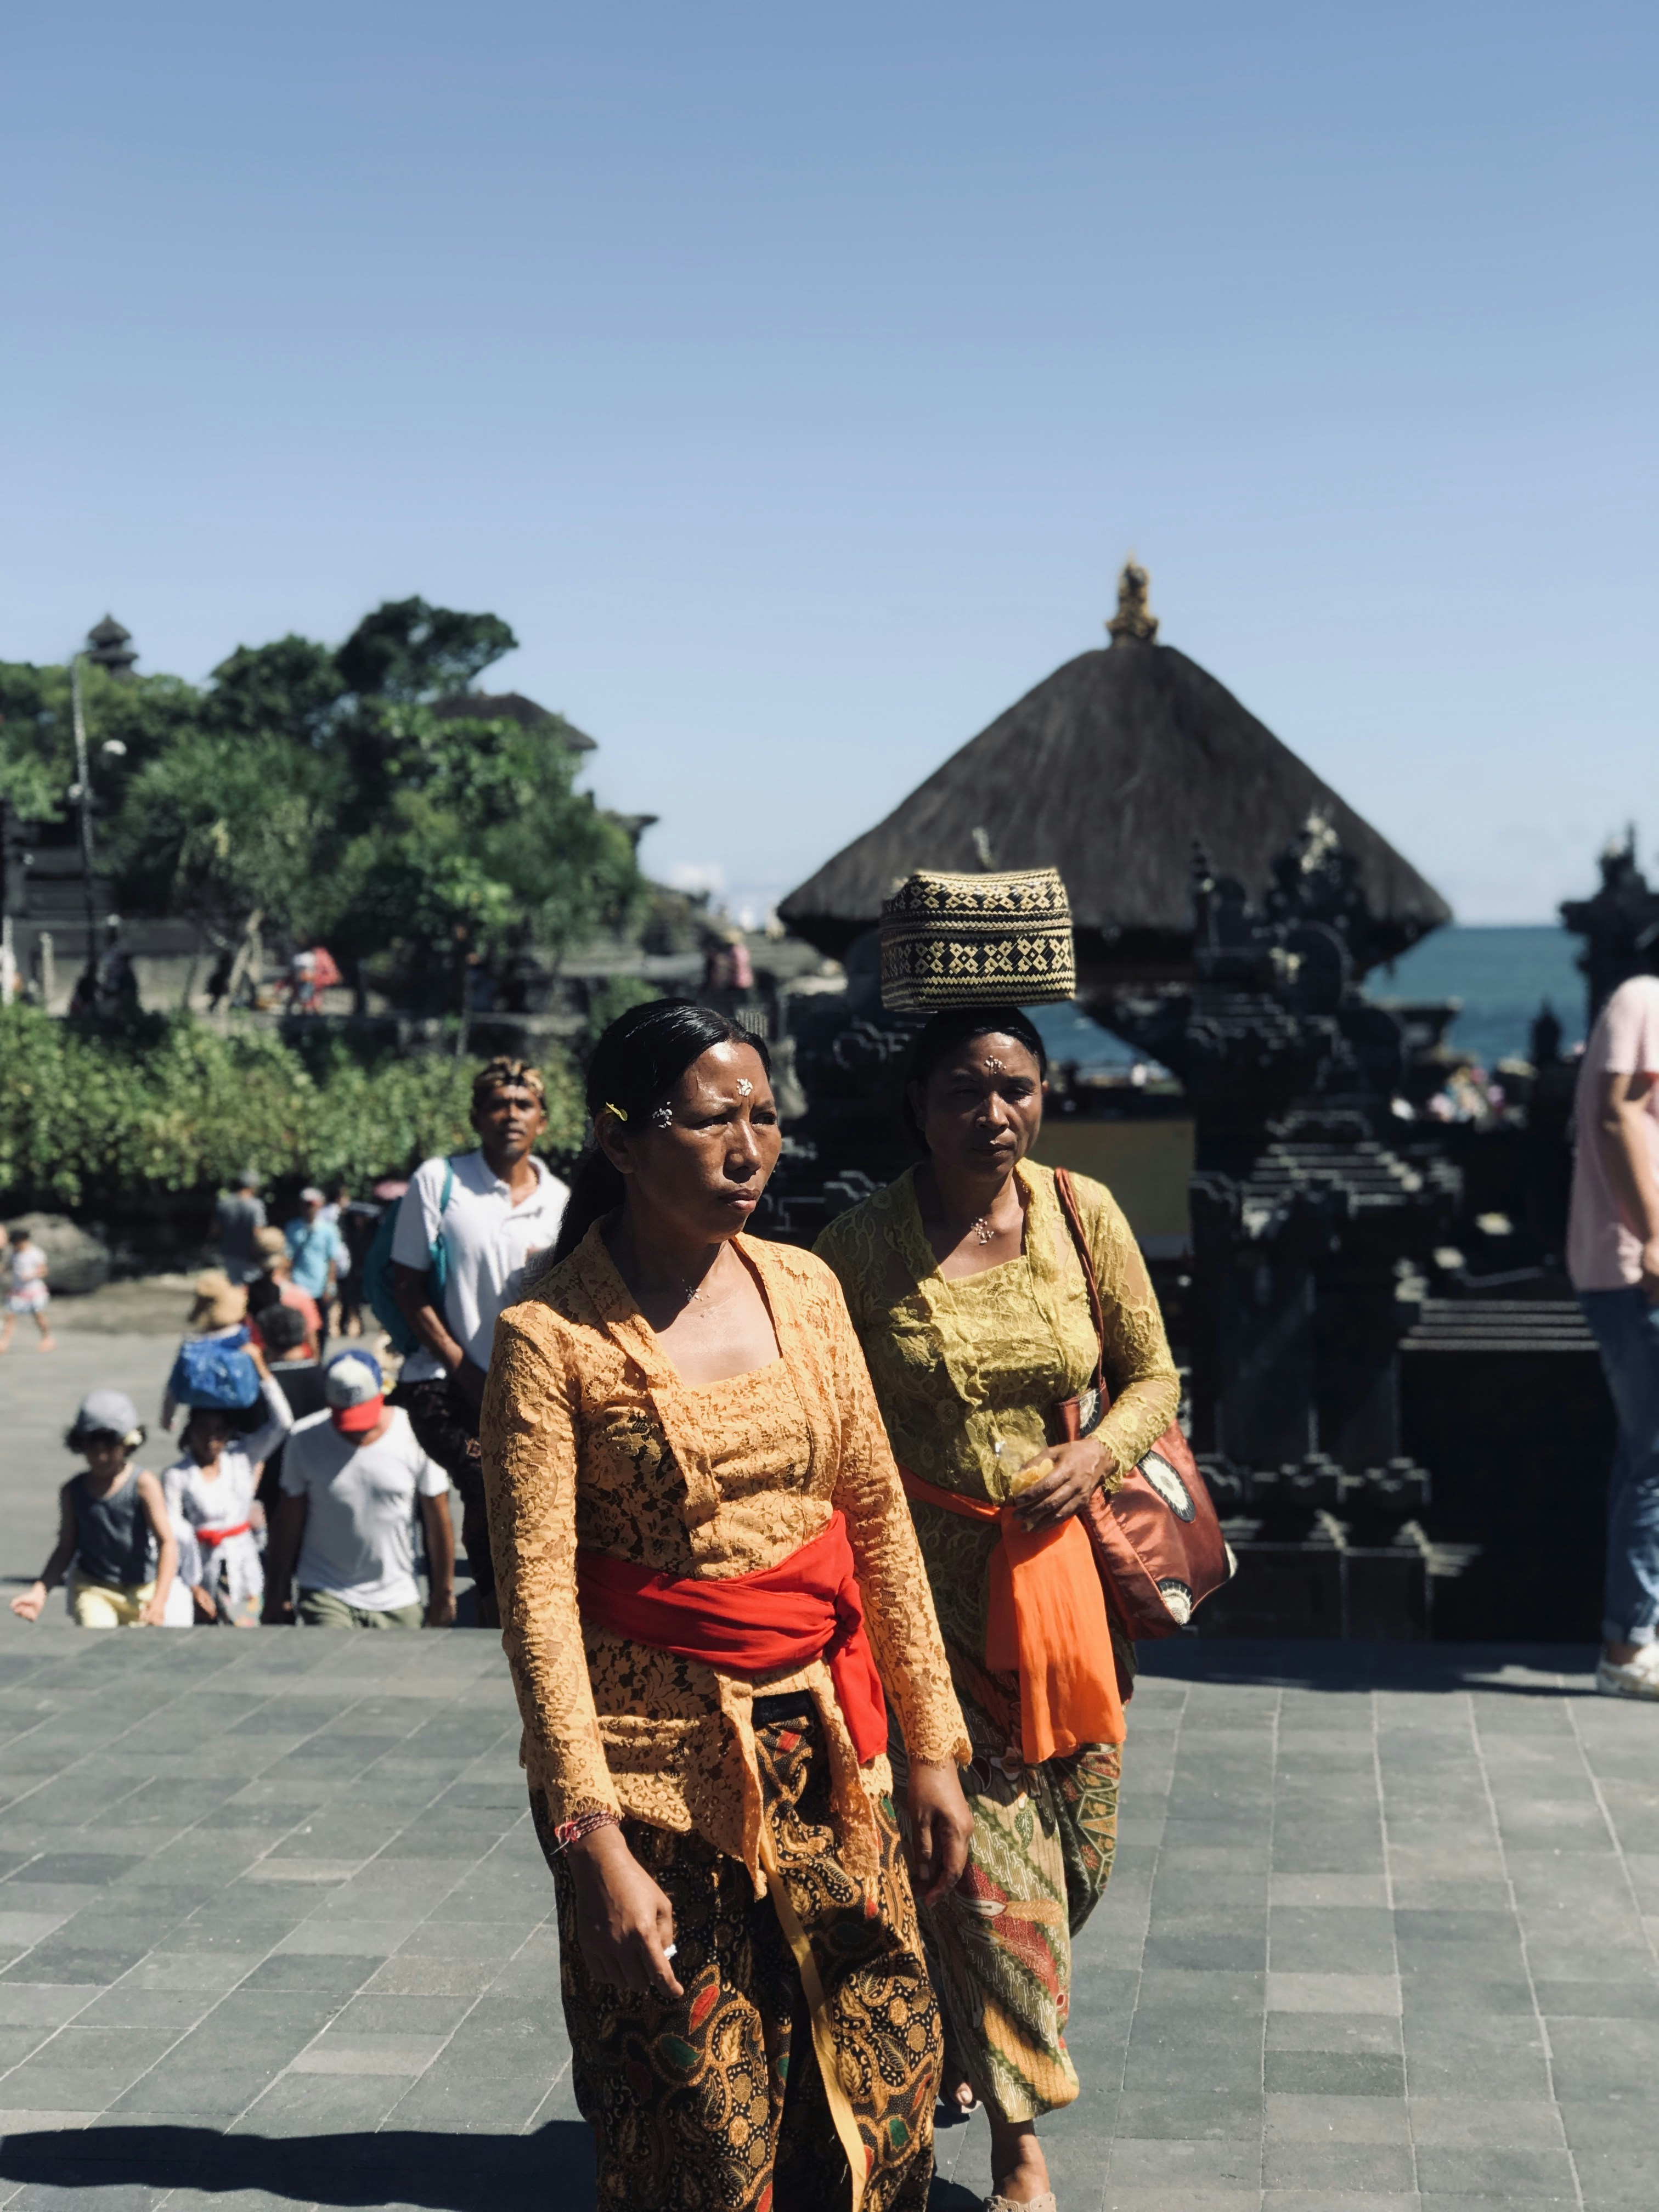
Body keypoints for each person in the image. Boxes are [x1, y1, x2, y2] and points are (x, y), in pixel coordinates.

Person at [479, 999, 972, 2211]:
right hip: (654, 1785)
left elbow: (877, 1520)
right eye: (712, 1121)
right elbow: (537, 1601)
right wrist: (590, 1838)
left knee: (883, 2095)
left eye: (765, 1116)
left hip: (826, 1753)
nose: (749, 1147)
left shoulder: (805, 1289)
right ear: (621, 1142)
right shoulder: (550, 1339)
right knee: (702, 2128)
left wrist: (932, 1748)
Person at [816, 1006, 1181, 2212]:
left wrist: (1100, 1457)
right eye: (966, 1091)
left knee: (1079, 1858)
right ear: (917, 1102)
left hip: (1062, 1588)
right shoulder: (860, 1246)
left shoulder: (1083, 1214)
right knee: (983, 1868)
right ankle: (1021, 2154)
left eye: (1017, 1088)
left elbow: (1153, 1373)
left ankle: (967, 2035)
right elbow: (829, 1418)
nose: (995, 1115)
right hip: (920, 1594)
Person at [391, 1059, 568, 1629]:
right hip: (446, 1382)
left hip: (527, 1384)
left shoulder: (562, 1200)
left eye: (523, 1105)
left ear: (543, 1120)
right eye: (497, 1104)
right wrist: (464, 1366)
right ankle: (491, 1613)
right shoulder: (440, 1182)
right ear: (476, 1116)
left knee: (531, 1492)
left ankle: (521, 1608)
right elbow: (406, 1284)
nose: (510, 1115)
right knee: (483, 1478)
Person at [1567, 971, 1659, 1699]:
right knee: (1653, 1458)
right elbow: (1615, 1111)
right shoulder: (1646, 1000)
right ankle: (1628, 1647)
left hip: (1630, 1270)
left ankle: (1633, 1638)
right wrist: (1656, 1234)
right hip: (1638, 1273)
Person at [263, 1351, 455, 1629]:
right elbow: (288, 1520)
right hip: (325, 1589)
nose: (355, 1432)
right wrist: (276, 1592)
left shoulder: (415, 1434)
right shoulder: (303, 1439)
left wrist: (443, 1594)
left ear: (380, 1394)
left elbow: (439, 1519)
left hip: (397, 1595)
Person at [11, 1391, 178, 1628]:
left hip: (141, 1591)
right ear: (80, 1444)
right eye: (93, 1446)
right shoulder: (73, 1491)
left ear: (129, 1442)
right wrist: (40, 1592)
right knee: (98, 1641)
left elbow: (167, 1543)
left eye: (110, 1446)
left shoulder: (143, 1485)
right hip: (94, 1588)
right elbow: (66, 1547)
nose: (101, 1457)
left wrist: (160, 1601)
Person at [166, 1358, 293, 1625]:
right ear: (190, 1433)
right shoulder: (177, 1476)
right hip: (201, 1571)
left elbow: (283, 1423)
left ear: (227, 1434)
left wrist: (261, 1370)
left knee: (245, 1636)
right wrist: (191, 1586)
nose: (211, 1439)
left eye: (218, 1431)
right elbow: (172, 1532)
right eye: (203, 1431)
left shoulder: (241, 1458)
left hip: (244, 1568)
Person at [160, 1271, 251, 1432]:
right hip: (239, 1416)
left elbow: (174, 1385)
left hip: (200, 1419)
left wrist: (168, 1419)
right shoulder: (241, 1339)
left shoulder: (192, 1345)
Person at [285, 1189, 342, 1348]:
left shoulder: (329, 1229)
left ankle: (319, 1359)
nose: (308, 1208)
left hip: (319, 1285)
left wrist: (330, 1286)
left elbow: (333, 1260)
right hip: (299, 1285)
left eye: (312, 1205)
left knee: (320, 1325)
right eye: (305, 1205)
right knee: (300, 1326)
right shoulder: (293, 1227)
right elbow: (287, 1258)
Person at [248, 1226, 323, 1348]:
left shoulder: (244, 1295)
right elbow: (312, 1341)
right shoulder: (299, 1296)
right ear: (285, 1259)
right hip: (295, 1362)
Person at [1, 1225, 54, 1355]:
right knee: (10, 1316)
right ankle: (4, 1342)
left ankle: (47, 1338)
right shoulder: (15, 1254)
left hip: (34, 1291)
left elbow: (43, 1270)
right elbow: (8, 1266)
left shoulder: (36, 1253)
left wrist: (31, 1275)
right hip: (18, 1291)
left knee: (38, 1316)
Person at [215, 1171, 267, 1285]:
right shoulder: (256, 1205)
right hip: (249, 1257)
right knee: (249, 1291)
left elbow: (216, 1230)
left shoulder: (224, 1203)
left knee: (232, 1290)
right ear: (253, 1186)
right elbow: (258, 1232)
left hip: (228, 1254)